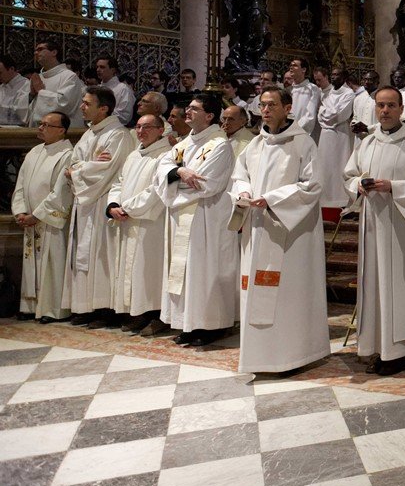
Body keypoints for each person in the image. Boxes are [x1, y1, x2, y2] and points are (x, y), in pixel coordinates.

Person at [231, 87, 329, 373]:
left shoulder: (303, 143)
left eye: (272, 104)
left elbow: (312, 185)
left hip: (290, 231)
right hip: (257, 226)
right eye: (262, 105)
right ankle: (258, 356)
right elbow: (239, 175)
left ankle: (292, 354)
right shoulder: (256, 144)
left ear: (288, 108)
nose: (265, 110)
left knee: (288, 292)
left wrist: (272, 200)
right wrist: (245, 191)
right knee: (255, 289)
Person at [344, 86, 405, 375]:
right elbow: (350, 175)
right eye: (380, 105)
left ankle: (401, 350)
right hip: (371, 221)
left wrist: (395, 187)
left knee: (399, 284)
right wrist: (358, 186)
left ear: (402, 109)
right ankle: (375, 346)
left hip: (402, 224)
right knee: (373, 283)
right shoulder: (367, 142)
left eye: (391, 105)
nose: (385, 111)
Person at [154, 93, 238, 347]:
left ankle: (211, 325)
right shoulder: (182, 144)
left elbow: (205, 184)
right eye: (188, 108)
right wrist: (179, 171)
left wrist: (175, 183)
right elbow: (160, 168)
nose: (187, 112)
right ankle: (188, 323)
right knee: (186, 272)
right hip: (182, 216)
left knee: (204, 270)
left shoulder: (219, 145)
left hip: (207, 217)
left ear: (210, 116)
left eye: (194, 109)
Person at [63, 87, 136, 327]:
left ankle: (105, 309)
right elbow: (74, 164)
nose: (82, 107)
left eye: (86, 103)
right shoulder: (89, 134)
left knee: (102, 257)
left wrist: (79, 169)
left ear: (103, 108)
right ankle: (86, 306)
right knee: (84, 256)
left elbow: (105, 170)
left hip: (103, 201)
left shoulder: (117, 135)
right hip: (85, 202)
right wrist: (83, 166)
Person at [105, 113, 171, 336]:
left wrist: (129, 208)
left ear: (161, 130)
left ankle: (157, 314)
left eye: (147, 127)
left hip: (151, 222)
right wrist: (113, 205)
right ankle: (137, 312)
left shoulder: (167, 156)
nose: (141, 132)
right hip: (127, 219)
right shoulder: (134, 154)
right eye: (138, 127)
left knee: (150, 269)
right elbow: (119, 183)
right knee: (131, 269)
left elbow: (158, 191)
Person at [13, 112, 74, 322]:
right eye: (40, 124)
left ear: (61, 130)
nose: (40, 128)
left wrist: (37, 215)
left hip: (49, 221)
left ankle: (53, 309)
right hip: (31, 219)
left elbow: (61, 192)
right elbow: (21, 184)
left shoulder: (67, 154)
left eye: (47, 125)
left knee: (52, 262)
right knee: (32, 262)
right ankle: (30, 305)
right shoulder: (34, 151)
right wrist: (20, 211)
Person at [316, 66, 356, 207]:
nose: (333, 77)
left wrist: (327, 113)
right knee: (325, 165)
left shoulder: (349, 93)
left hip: (340, 134)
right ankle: (325, 198)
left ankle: (341, 199)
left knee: (339, 165)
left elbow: (341, 115)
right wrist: (329, 113)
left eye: (337, 75)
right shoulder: (327, 93)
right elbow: (320, 115)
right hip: (325, 134)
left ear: (344, 77)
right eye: (332, 75)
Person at [28, 39, 83, 128]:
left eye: (40, 49)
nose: (36, 53)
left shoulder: (69, 76)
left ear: (54, 52)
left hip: (60, 131)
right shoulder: (38, 77)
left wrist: (41, 91)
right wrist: (31, 95)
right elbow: (31, 109)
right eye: (35, 50)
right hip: (37, 129)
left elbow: (65, 105)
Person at [91, 55, 134, 126]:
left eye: (102, 67)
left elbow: (124, 116)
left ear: (113, 70)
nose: (98, 70)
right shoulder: (96, 89)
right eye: (97, 67)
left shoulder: (123, 89)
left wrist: (100, 111)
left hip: (114, 128)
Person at [287, 57, 322, 142]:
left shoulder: (312, 89)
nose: (291, 68)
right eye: (290, 65)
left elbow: (310, 114)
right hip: (287, 131)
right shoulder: (288, 90)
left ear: (303, 69)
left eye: (295, 65)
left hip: (303, 132)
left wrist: (296, 129)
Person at [0, 54, 30, 126]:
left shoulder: (26, 85)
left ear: (11, 69)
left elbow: (21, 114)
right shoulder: (2, 86)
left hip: (16, 131)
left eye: (0, 73)